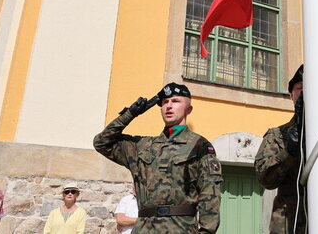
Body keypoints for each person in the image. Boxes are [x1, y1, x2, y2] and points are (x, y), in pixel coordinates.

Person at [93, 82, 222, 233]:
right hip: (143, 229)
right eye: (165, 102)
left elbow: (210, 194)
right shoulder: (142, 146)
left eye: (175, 101)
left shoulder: (199, 146)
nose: (168, 106)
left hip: (180, 229)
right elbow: (101, 142)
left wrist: (206, 231)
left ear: (188, 109)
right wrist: (130, 114)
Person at [255, 65, 318, 234]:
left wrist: (314, 128)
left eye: (311, 89)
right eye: (300, 89)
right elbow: (265, 179)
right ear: (291, 95)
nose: (305, 94)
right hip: (289, 221)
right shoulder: (277, 135)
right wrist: (289, 152)